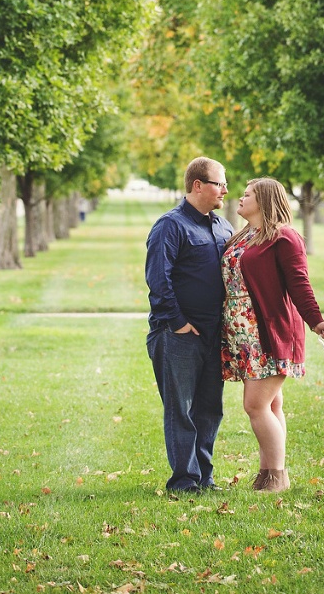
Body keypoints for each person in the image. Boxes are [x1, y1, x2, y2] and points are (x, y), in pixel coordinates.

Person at [221, 177, 324, 493]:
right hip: (242, 333)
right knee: (270, 405)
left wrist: (315, 321)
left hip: (268, 332)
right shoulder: (246, 235)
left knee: (255, 405)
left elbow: (299, 284)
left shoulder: (284, 238)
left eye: (247, 195)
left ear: (265, 201)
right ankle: (267, 473)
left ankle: (277, 476)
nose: (240, 198)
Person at [146, 156, 234, 493]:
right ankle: (184, 481)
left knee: (210, 408)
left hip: (215, 334)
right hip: (177, 335)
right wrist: (179, 323)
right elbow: (159, 279)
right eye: (219, 183)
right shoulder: (170, 226)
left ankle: (205, 476)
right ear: (198, 185)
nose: (225, 190)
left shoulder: (224, 227)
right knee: (180, 409)